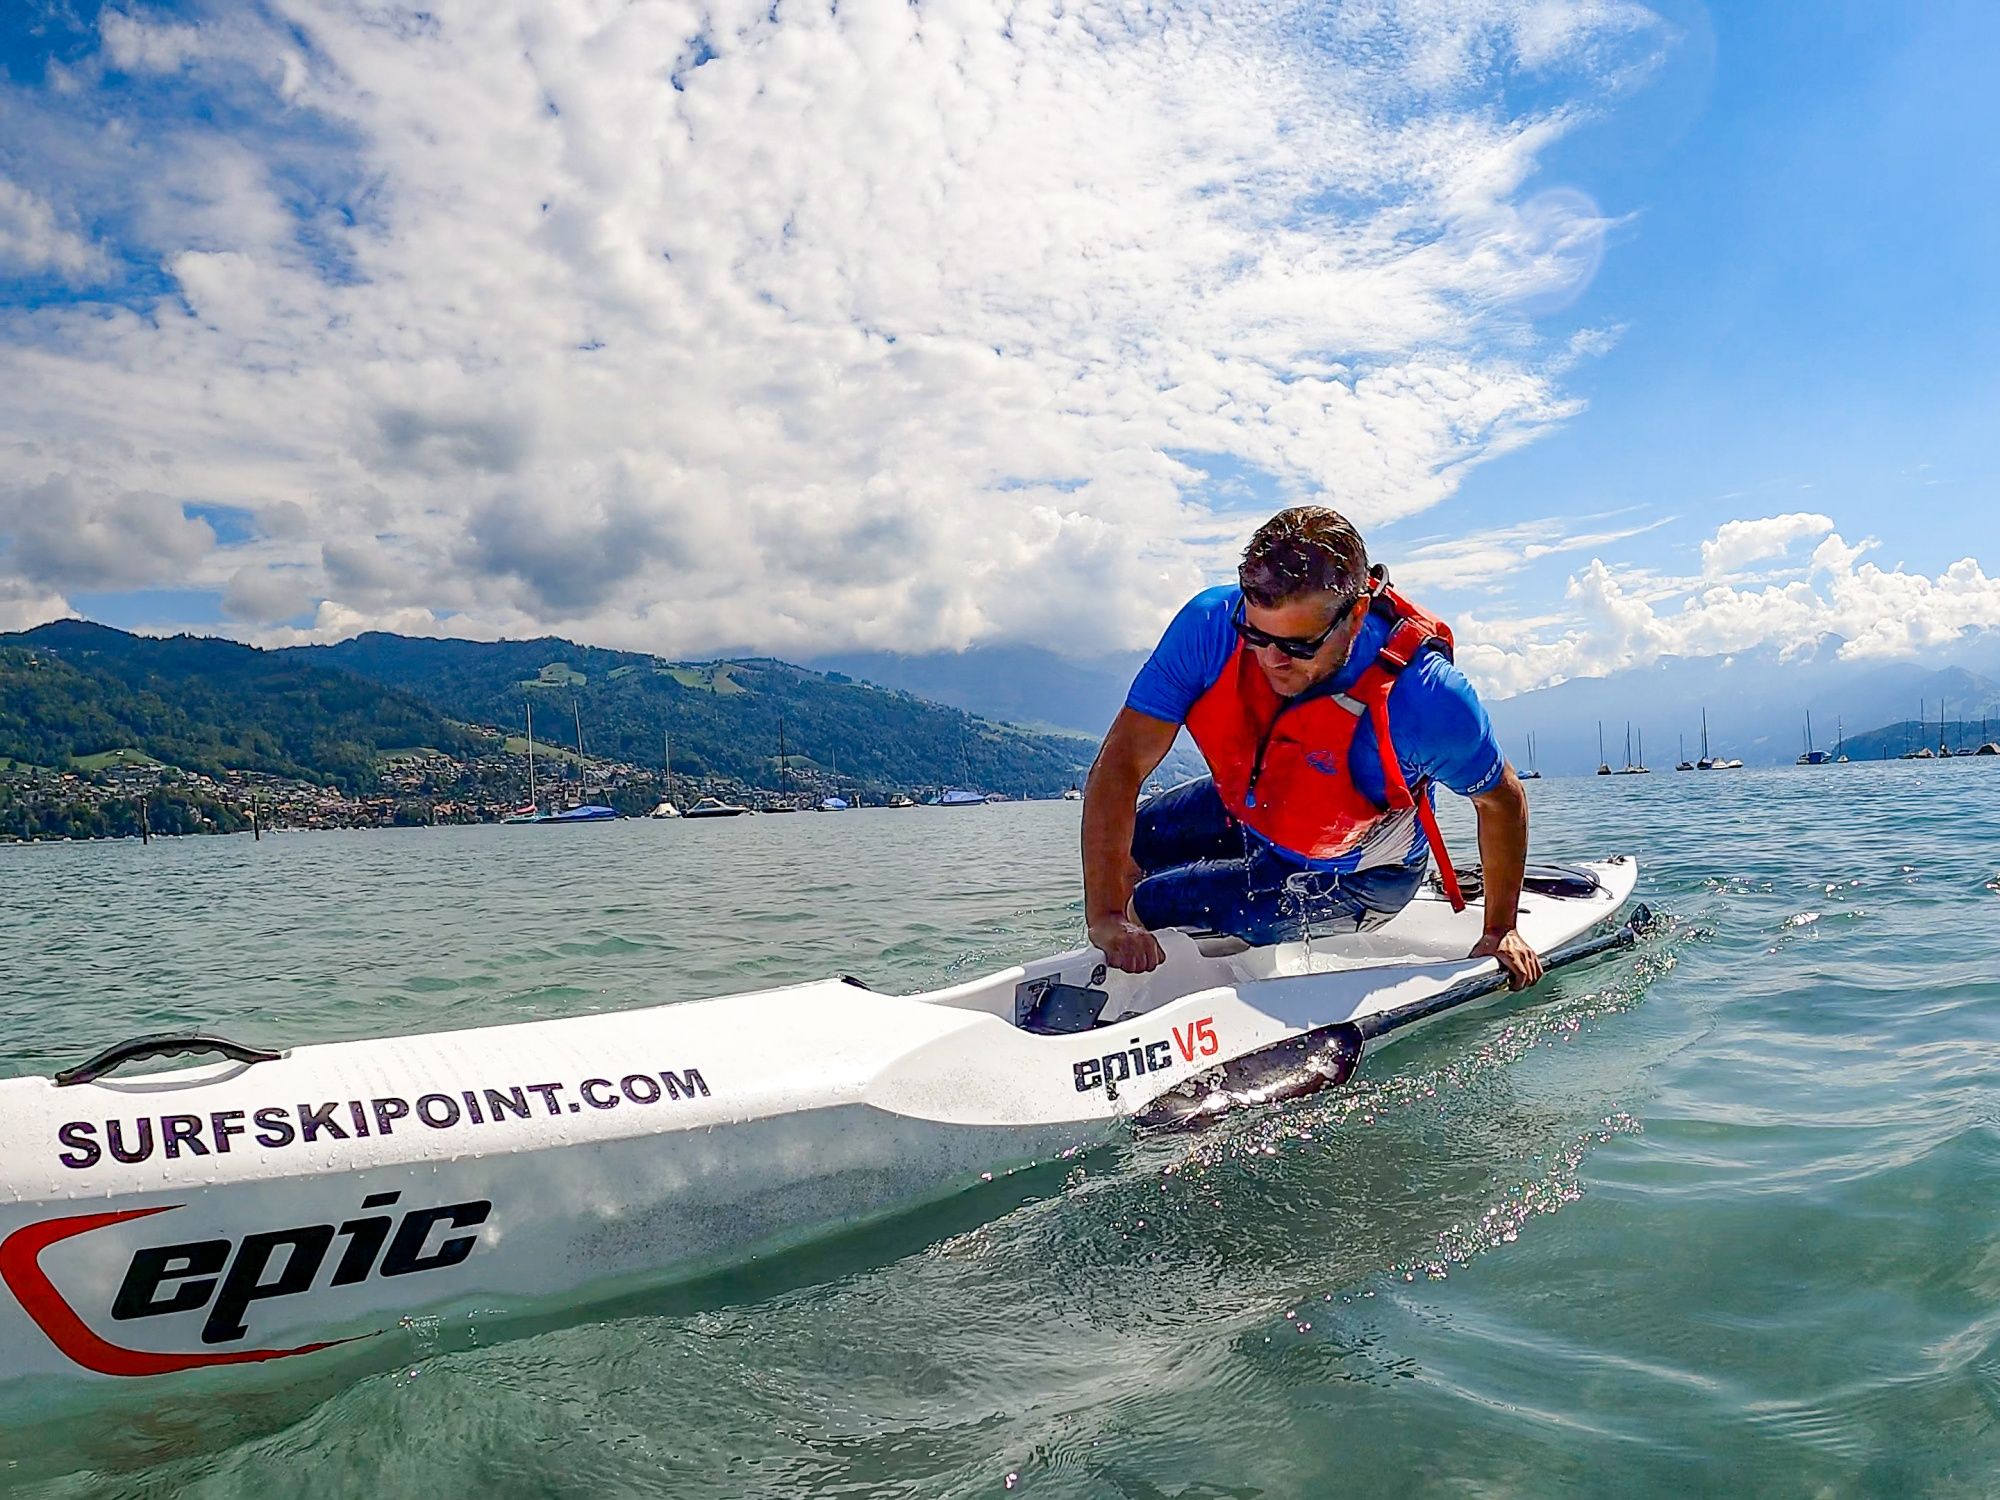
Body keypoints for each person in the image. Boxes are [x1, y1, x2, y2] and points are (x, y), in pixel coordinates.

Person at [1081, 505, 1544, 989]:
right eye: (1255, 635)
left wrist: (1500, 928)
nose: (1270, 660)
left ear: (1356, 613)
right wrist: (1108, 917)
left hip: (1361, 876)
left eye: (1298, 646)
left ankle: (1180, 950)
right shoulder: (1208, 625)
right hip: (1255, 814)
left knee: (1155, 904)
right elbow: (1121, 764)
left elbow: (1501, 798)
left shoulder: (1428, 697)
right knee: (1124, 848)